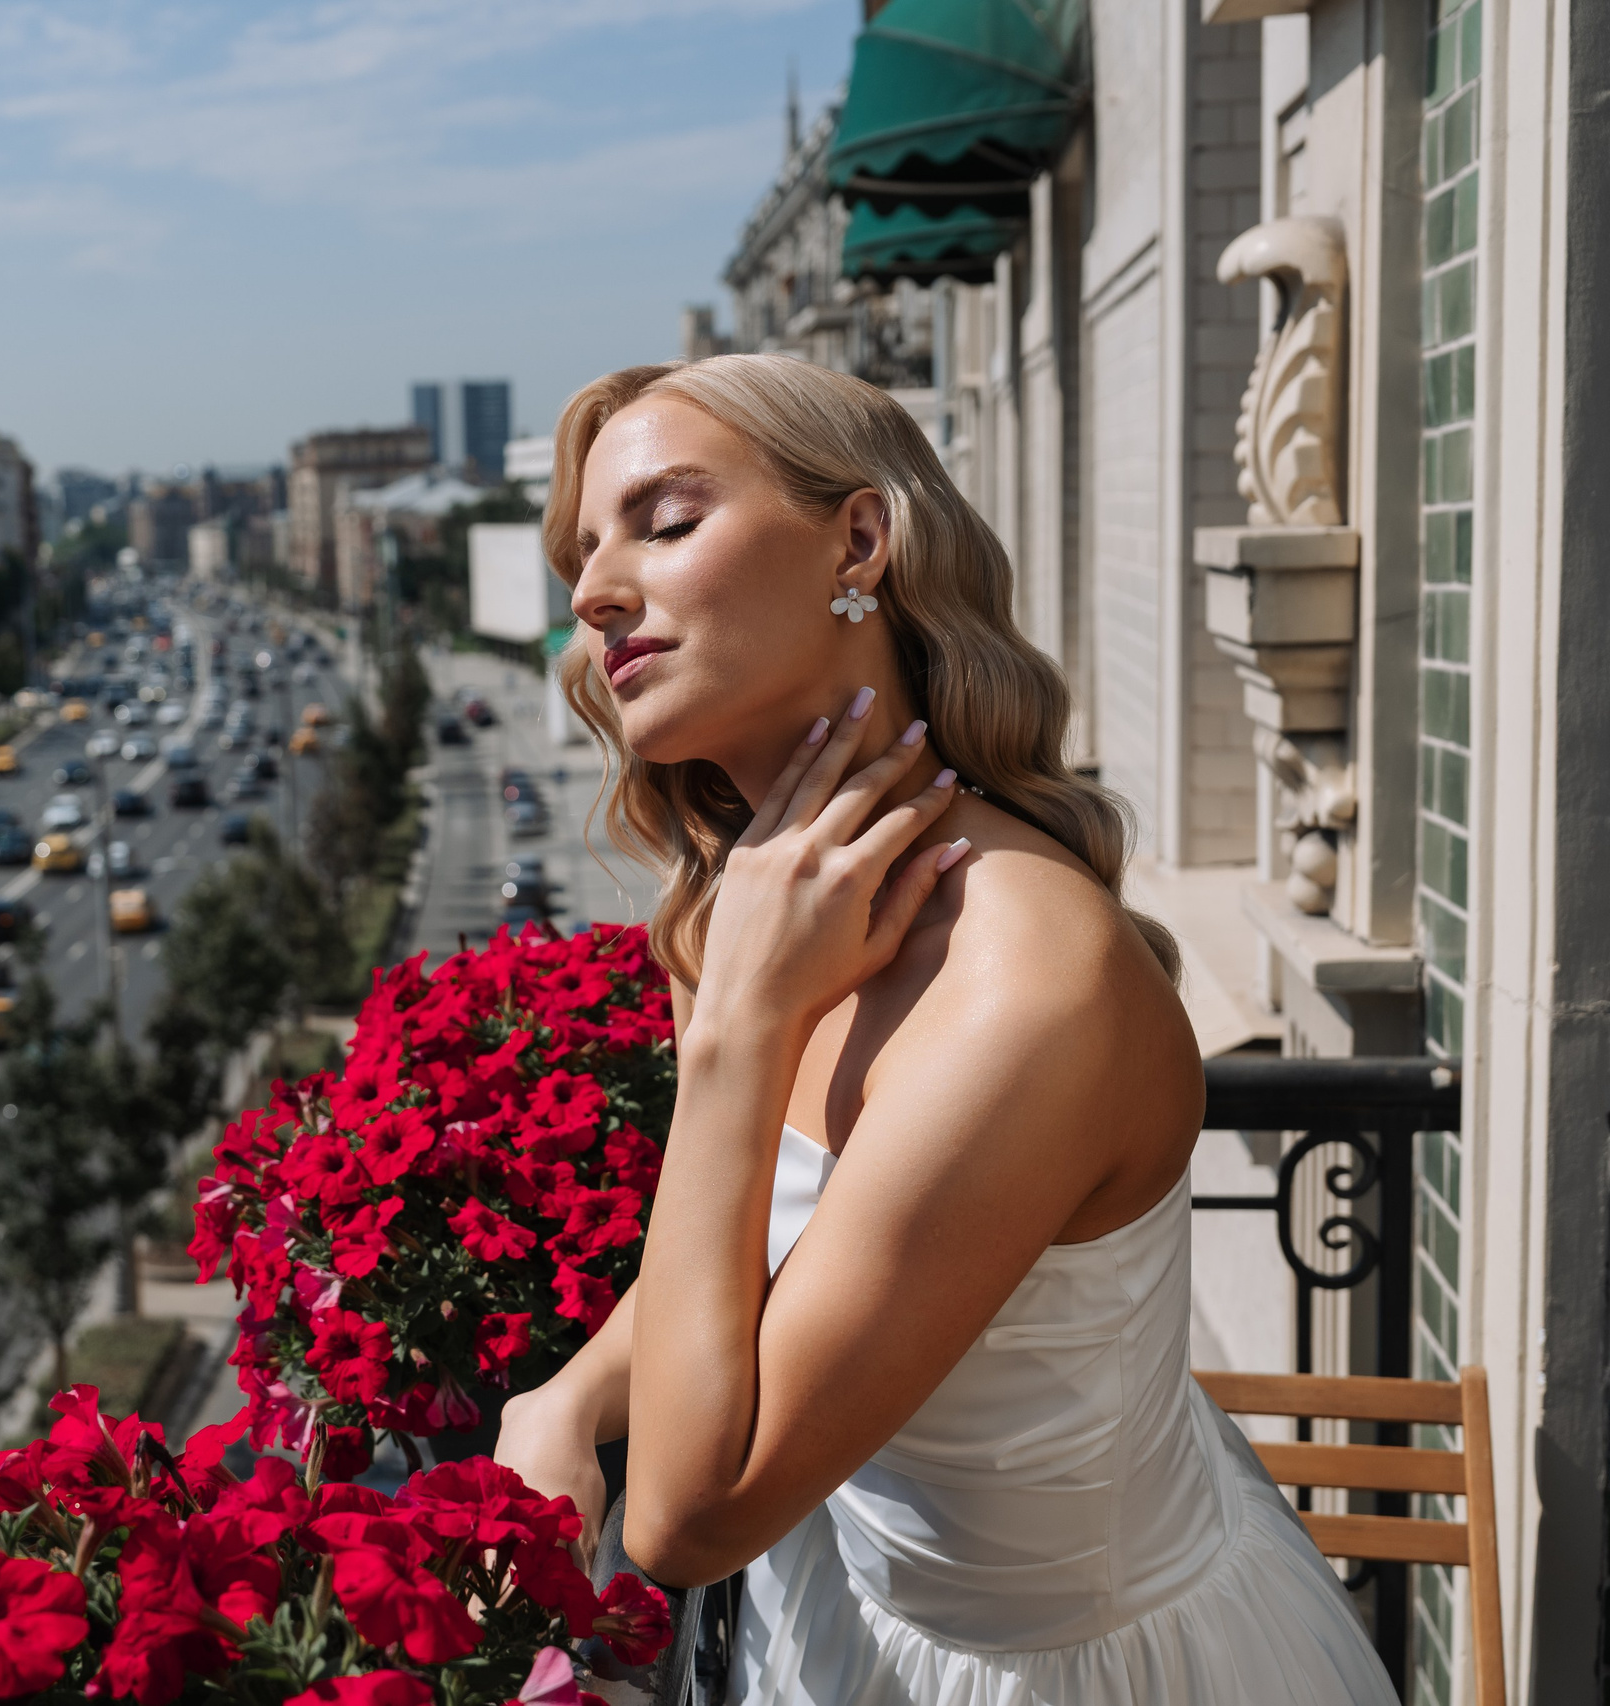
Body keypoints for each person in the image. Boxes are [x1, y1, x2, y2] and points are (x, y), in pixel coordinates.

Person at [491, 355, 1396, 1704]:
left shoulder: (1023, 984)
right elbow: (756, 1268)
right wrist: (567, 1395)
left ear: (860, 541)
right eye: (583, 554)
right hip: (837, 1623)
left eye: (663, 523)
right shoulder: (756, 904)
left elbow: (687, 1516)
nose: (592, 591)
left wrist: (740, 1026)